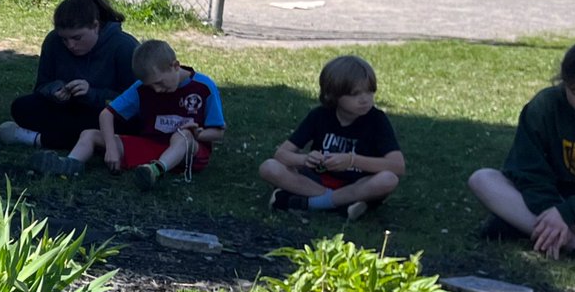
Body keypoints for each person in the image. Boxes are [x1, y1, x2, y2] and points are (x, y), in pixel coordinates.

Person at [468, 39, 575, 260]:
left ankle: (531, 229)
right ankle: (573, 242)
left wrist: (568, 213)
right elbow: (526, 170)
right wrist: (552, 209)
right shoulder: (545, 106)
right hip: (551, 202)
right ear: (564, 83)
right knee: (483, 179)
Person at [32, 38, 224, 188]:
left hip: (189, 154)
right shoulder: (142, 87)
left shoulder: (203, 86)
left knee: (182, 136)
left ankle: (155, 171)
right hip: (151, 145)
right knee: (88, 134)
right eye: (151, 86)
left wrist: (199, 133)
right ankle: (68, 165)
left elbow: (218, 132)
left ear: (175, 66)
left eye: (159, 83)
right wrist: (111, 148)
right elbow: (106, 114)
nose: (156, 90)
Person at [259, 54, 404, 222]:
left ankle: (307, 202)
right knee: (269, 167)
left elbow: (397, 166)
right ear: (332, 95)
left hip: (357, 183)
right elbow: (281, 155)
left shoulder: (377, 119)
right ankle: (342, 204)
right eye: (355, 94)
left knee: (388, 179)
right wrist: (305, 159)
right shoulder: (319, 116)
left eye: (370, 91)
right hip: (316, 181)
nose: (365, 99)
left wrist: (352, 160)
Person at [0, 0, 138, 150]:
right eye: (64, 39)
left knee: (127, 125)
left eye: (77, 38)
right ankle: (80, 141)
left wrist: (91, 93)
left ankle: (38, 139)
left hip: (104, 113)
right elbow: (41, 86)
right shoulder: (53, 41)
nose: (71, 45)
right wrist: (55, 90)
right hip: (67, 109)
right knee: (22, 107)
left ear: (95, 26)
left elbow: (135, 102)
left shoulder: (124, 46)